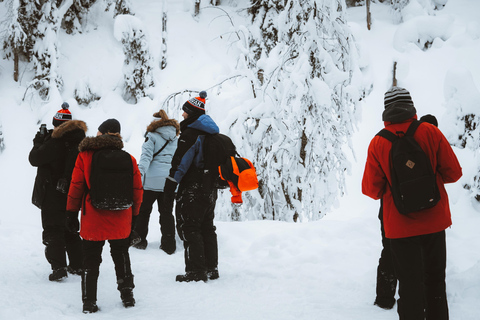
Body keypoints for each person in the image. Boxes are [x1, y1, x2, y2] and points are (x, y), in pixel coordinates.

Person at [362, 87, 462, 320]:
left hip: (399, 228)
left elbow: (371, 190)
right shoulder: (430, 132)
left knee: (409, 288)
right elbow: (454, 173)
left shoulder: (378, 142)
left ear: (386, 110)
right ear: (411, 106)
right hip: (434, 222)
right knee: (435, 283)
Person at [66, 119, 143, 313]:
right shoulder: (129, 158)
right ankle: (128, 296)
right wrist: (134, 216)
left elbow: (76, 187)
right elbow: (137, 191)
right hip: (121, 217)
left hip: (93, 217)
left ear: (101, 133)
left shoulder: (85, 156)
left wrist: (71, 213)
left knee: (90, 259)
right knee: (121, 255)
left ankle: (89, 302)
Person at [374, 113, 439, 310]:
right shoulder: (429, 144)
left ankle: (385, 298)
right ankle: (423, 297)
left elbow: (372, 187)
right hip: (426, 211)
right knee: (422, 255)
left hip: (391, 210)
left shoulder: (390, 140)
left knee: (390, 250)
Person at [163, 91, 221, 282]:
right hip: (210, 187)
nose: (183, 115)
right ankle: (211, 268)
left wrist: (171, 183)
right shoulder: (212, 134)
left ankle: (196, 271)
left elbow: (181, 161)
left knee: (191, 227)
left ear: (192, 113)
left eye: (185, 112)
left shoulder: (191, 133)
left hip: (193, 187)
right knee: (207, 227)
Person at [29, 102, 86, 281]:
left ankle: (58, 266)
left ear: (57, 125)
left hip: (53, 193)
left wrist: (39, 142)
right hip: (72, 192)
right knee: (69, 228)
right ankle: (78, 264)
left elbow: (34, 158)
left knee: (53, 229)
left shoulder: (56, 142)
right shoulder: (79, 141)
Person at [133, 109, 179, 252]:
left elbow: (146, 157)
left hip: (151, 182)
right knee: (166, 213)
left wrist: (138, 174)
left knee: (144, 211)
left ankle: (140, 241)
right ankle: (169, 245)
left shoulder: (151, 136)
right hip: (169, 182)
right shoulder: (176, 139)